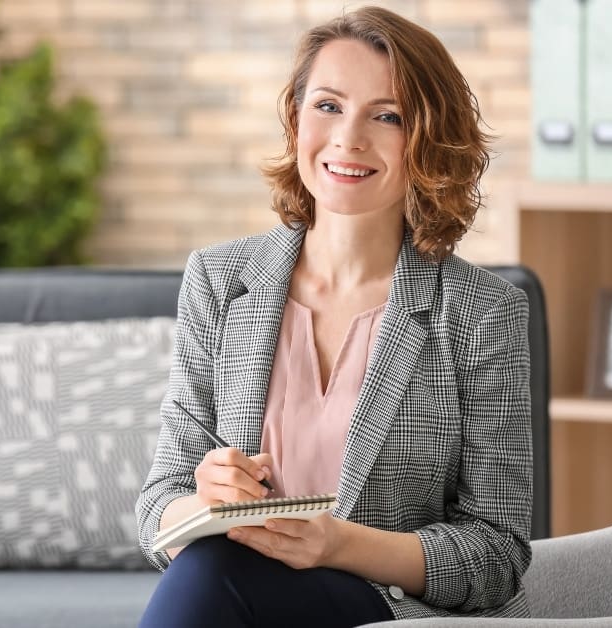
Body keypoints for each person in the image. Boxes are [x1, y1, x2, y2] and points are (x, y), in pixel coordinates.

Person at [135, 6, 532, 626]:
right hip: (227, 588)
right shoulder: (219, 282)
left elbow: (497, 555)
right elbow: (156, 505)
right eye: (328, 106)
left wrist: (342, 545)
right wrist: (202, 498)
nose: (349, 138)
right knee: (209, 567)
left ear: (428, 139)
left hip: (383, 609)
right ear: (295, 121)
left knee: (212, 576)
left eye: (388, 116)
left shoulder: (483, 311)